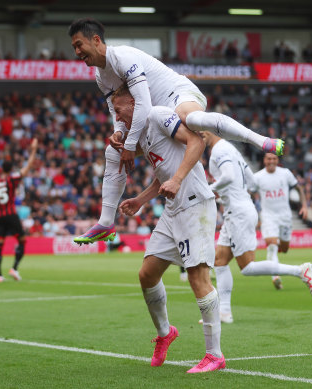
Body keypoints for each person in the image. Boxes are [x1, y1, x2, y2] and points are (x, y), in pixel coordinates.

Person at [69, 18, 284, 245]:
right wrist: (120, 134)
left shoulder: (123, 57)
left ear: (95, 40)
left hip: (177, 96)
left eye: (79, 44)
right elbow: (117, 110)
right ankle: (105, 223)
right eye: (74, 47)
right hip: (156, 118)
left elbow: (142, 103)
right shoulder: (100, 75)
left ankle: (261, 141)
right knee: (112, 152)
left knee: (191, 118)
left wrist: (131, 146)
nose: (76, 51)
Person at [115, 84, 225, 373]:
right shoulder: (143, 134)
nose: (118, 118)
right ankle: (166, 334)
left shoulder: (157, 115)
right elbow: (162, 175)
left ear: (132, 103)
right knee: (147, 274)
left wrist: (176, 180)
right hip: (174, 209)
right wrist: (140, 200)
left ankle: (214, 355)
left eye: (119, 111)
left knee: (197, 277)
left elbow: (197, 142)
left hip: (195, 205)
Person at [202, 133, 312, 324]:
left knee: (247, 267)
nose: (198, 134)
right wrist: (229, 195)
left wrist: (209, 189)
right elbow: (253, 183)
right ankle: (224, 312)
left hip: (239, 213)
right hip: (236, 211)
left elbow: (229, 176)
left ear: (211, 130)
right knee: (220, 261)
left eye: (201, 130)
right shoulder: (232, 150)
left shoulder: (218, 151)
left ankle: (300, 271)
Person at [250, 153, 309, 290]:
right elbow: (250, 193)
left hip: (285, 217)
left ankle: (276, 253)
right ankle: (275, 276)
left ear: (277, 160)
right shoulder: (258, 177)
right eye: (269, 159)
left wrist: (304, 206)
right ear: (264, 160)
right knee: (271, 245)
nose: (271, 161)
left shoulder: (285, 173)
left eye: (274, 159)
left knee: (285, 247)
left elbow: (299, 188)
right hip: (269, 217)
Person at [0, 139, 38, 282]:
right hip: (11, 214)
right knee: (22, 241)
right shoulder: (12, 178)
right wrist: (33, 149)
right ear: (11, 169)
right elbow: (28, 166)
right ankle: (14, 268)